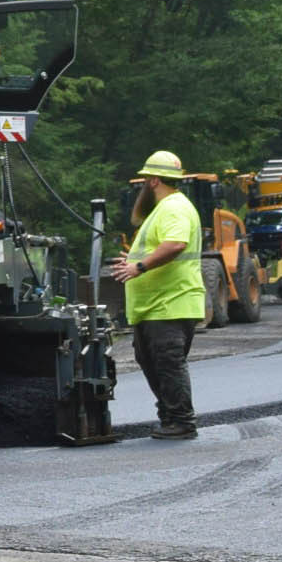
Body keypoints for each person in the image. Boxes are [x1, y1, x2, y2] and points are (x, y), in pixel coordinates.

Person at [111, 150, 205, 439]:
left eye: (144, 179)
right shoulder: (167, 208)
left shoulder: (172, 207)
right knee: (151, 360)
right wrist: (137, 258)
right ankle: (169, 415)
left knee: (167, 362)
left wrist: (139, 266)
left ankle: (181, 421)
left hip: (170, 302)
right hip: (156, 304)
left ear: (152, 180)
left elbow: (176, 244)